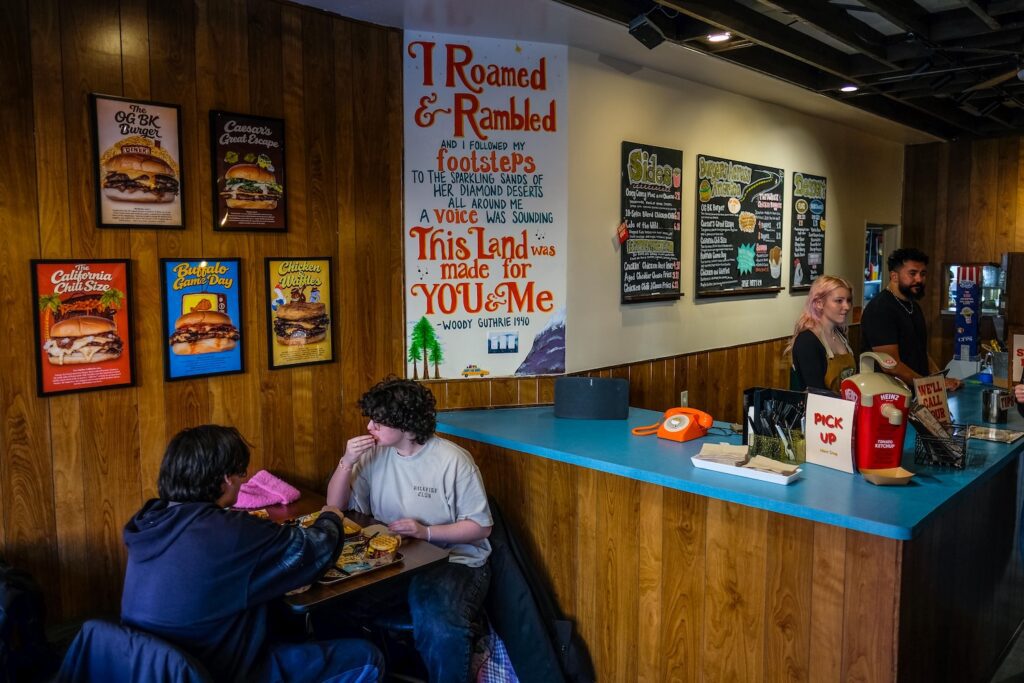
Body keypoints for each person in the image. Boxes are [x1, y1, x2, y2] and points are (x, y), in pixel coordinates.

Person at [121, 424, 383, 683]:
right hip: (220, 670)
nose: (243, 480)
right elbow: (315, 552)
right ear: (226, 479)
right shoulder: (226, 532)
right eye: (241, 473)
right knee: (367, 657)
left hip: (152, 668)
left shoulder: (150, 521)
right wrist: (330, 517)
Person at [327, 378, 492, 683]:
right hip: (396, 559)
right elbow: (334, 507)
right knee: (336, 607)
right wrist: (346, 461)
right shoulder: (374, 454)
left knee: (437, 622)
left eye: (379, 422)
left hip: (454, 561)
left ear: (405, 424)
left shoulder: (453, 460)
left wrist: (425, 532)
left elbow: (480, 528)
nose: (370, 428)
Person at [860, 247, 962, 392]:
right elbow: (891, 365)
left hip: (915, 392)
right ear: (894, 276)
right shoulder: (880, 309)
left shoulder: (913, 306)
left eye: (923, 274)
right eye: (912, 273)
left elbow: (920, 351)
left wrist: (939, 380)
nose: (919, 279)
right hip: (890, 395)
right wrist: (929, 385)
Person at [785, 275, 855, 393]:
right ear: (819, 303)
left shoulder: (840, 335)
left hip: (845, 408)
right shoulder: (807, 341)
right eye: (839, 301)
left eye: (848, 300)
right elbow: (817, 393)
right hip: (821, 410)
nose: (847, 306)